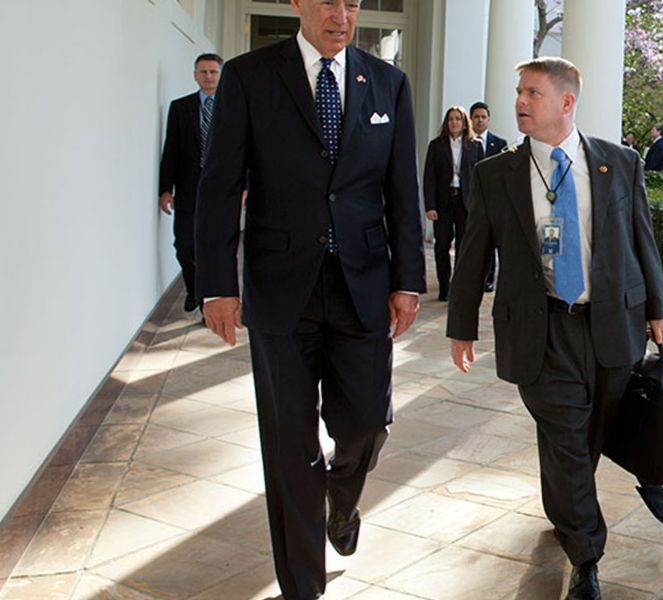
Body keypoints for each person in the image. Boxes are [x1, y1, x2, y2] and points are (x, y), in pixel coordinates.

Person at [194, 1, 426, 598]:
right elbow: (220, 185)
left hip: (364, 286)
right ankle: (303, 587)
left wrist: (408, 280)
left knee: (368, 424)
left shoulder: (388, 84)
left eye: (352, 3)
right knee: (289, 446)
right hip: (279, 291)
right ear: (298, 2)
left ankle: (342, 501)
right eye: (328, 1)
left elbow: (402, 189)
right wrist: (218, 285)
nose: (342, 15)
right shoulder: (249, 77)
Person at [446, 57, 663, 600]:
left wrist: (658, 309)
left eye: (533, 93)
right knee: (567, 435)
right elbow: (474, 254)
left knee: (586, 438)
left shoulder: (621, 163)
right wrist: (461, 326)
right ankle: (587, 556)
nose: (519, 101)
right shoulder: (495, 173)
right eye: (518, 91)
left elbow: (643, 240)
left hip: (612, 324)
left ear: (566, 103)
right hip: (541, 329)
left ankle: (563, 510)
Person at [159, 53, 222, 313]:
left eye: (213, 72)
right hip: (187, 191)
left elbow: (246, 150)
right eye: (203, 72)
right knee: (184, 245)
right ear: (195, 75)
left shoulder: (233, 107)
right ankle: (195, 289)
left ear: (221, 75)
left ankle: (209, 302)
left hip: (221, 192)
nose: (208, 77)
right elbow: (170, 150)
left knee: (214, 249)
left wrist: (245, 187)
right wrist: (165, 189)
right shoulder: (180, 108)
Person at [424, 106, 482, 301]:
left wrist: (480, 205)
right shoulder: (436, 145)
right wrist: (430, 206)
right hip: (444, 201)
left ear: (465, 122)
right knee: (442, 243)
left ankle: (459, 286)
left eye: (458, 119)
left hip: (466, 201)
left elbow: (481, 177)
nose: (454, 122)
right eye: (450, 119)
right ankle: (444, 287)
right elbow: (429, 177)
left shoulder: (475, 145)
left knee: (464, 246)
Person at [470, 101, 507, 292]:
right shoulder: (464, 144)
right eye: (476, 117)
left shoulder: (499, 144)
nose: (480, 120)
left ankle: (489, 278)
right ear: (471, 119)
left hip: (493, 200)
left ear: (488, 119)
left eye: (483, 117)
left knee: (491, 242)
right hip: (469, 200)